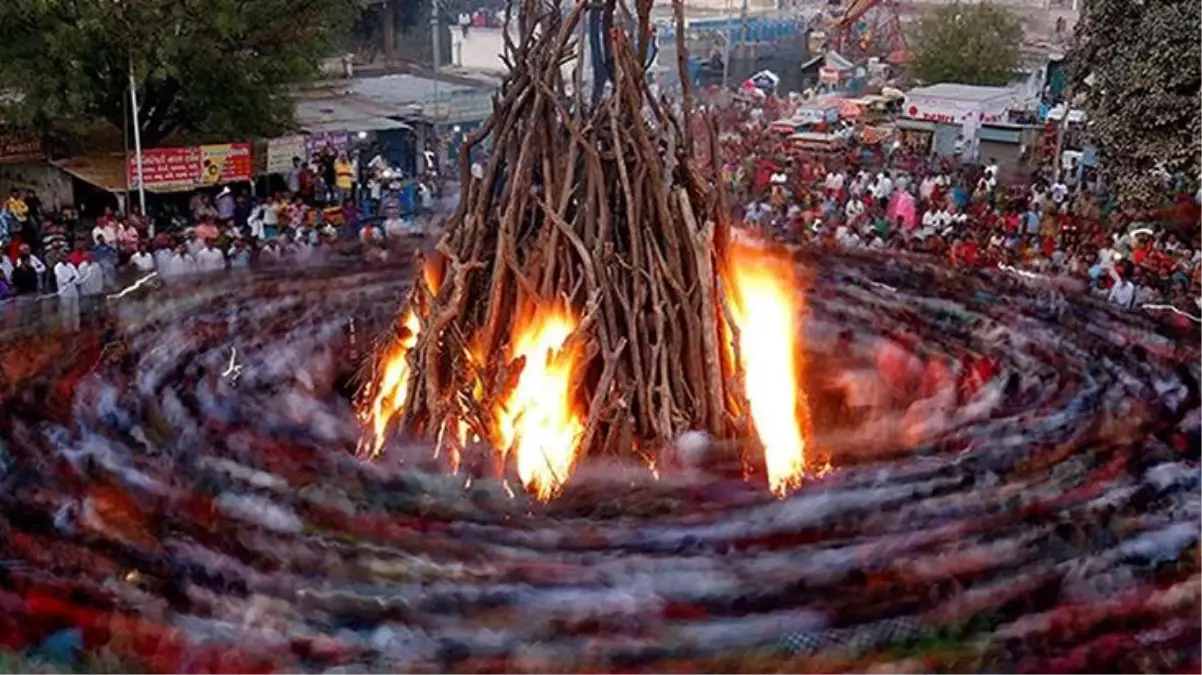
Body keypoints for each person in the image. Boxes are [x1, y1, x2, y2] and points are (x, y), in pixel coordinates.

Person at [53, 255, 81, 331]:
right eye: (63, 257)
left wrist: (72, 279)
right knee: (66, 312)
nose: (65, 258)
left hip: (74, 291)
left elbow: (77, 277)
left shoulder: (70, 265)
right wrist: (71, 279)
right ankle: (67, 329)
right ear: (59, 258)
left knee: (75, 311)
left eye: (66, 257)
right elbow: (62, 280)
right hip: (64, 292)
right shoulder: (57, 267)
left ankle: (76, 327)